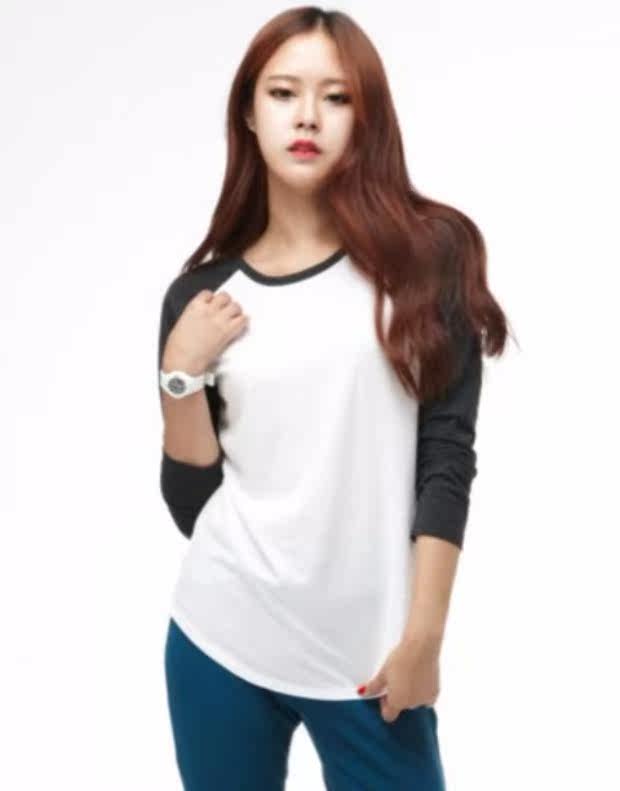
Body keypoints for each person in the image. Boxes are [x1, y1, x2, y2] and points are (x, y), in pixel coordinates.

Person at [157, 7, 508, 790]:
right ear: (250, 114)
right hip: (221, 638)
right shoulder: (204, 296)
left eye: (337, 96)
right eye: (283, 93)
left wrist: (424, 637)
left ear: (366, 116)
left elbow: (446, 455)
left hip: (371, 660)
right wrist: (180, 373)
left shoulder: (428, 259)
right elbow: (191, 506)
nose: (308, 116)